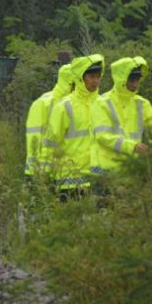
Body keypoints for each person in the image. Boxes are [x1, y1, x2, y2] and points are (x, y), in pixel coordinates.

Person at [91, 56, 152, 174]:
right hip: (104, 170)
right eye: (131, 80)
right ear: (121, 79)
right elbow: (103, 136)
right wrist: (133, 147)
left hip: (130, 169)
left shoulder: (142, 104)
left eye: (138, 80)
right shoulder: (102, 103)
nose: (135, 84)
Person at [42, 54, 105, 201]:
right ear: (81, 78)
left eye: (98, 76)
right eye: (91, 77)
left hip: (97, 178)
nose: (95, 81)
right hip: (69, 179)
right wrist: (44, 172)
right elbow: (50, 142)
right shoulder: (64, 106)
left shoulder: (104, 104)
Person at [25, 63, 74, 179]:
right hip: (38, 171)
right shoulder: (43, 103)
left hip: (63, 171)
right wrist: (41, 169)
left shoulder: (75, 105)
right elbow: (34, 140)